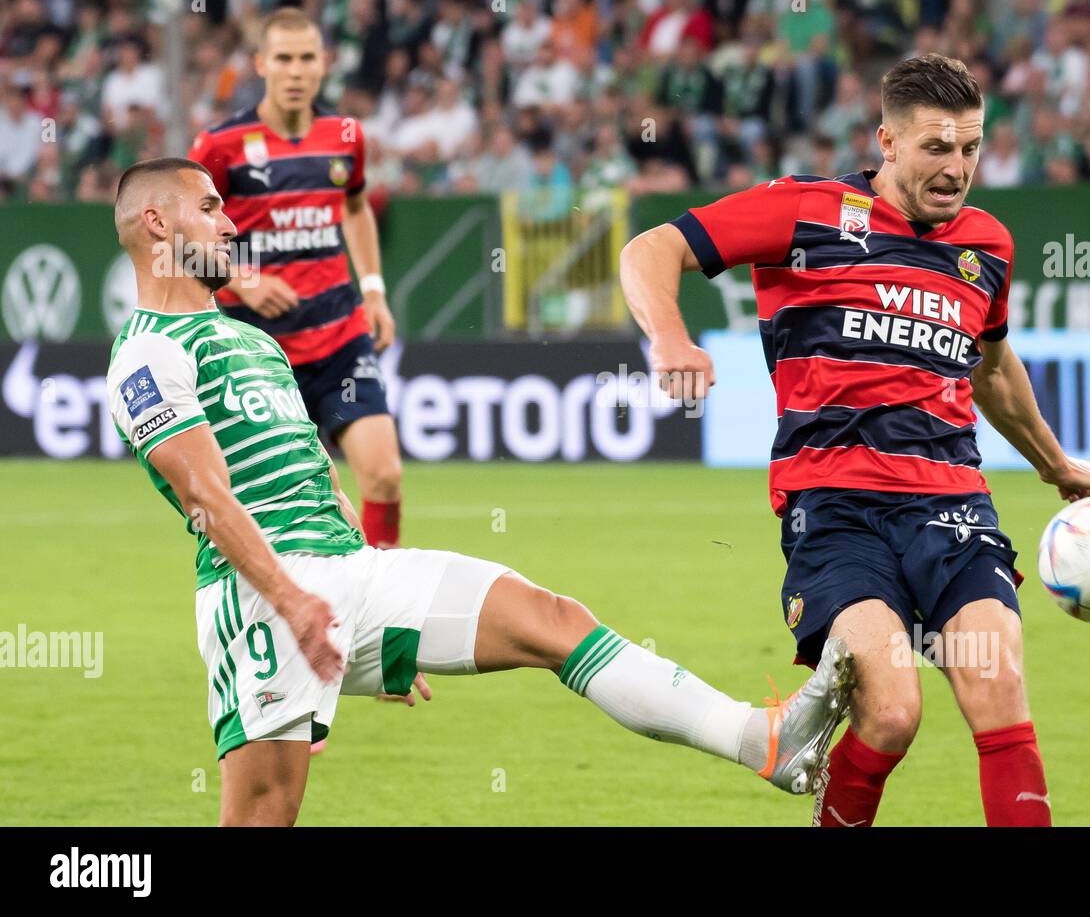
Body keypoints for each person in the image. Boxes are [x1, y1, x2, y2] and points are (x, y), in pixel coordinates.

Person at [104, 157, 855, 826]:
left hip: (349, 573)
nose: (228, 221)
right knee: (266, 813)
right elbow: (206, 495)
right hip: (260, 600)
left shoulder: (255, 340)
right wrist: (297, 601)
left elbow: (315, 471)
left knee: (552, 619)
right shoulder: (146, 351)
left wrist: (370, 617)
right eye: (208, 207)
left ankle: (760, 740)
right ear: (155, 220)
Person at [619, 54, 1090, 827]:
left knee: (1000, 690)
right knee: (891, 714)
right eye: (936, 148)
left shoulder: (988, 247)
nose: (957, 169)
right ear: (887, 140)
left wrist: (1055, 463)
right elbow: (651, 249)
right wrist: (671, 339)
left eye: (972, 148)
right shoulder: (807, 211)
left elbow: (991, 366)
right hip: (836, 508)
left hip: (954, 510)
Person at [188, 8, 403, 556]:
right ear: (261, 63)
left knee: (383, 477)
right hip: (257, 350)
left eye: (307, 58)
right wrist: (242, 279)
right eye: (283, 58)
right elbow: (185, 234)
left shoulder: (345, 136)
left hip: (338, 333)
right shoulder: (219, 145)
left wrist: (374, 289)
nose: (295, 70)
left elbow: (355, 207)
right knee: (299, 499)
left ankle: (381, 597)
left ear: (324, 64)